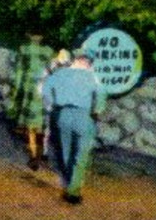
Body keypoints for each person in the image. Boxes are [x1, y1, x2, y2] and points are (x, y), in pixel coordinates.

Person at [42, 50, 106, 204]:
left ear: (76, 59)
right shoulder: (92, 77)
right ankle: (74, 189)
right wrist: (97, 111)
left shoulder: (59, 73)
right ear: (88, 62)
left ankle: (67, 181)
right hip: (84, 115)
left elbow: (45, 91)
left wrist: (51, 106)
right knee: (81, 154)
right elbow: (101, 95)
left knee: (65, 151)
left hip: (62, 114)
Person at [10, 32, 55, 170]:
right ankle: (40, 154)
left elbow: (19, 73)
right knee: (41, 124)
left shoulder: (24, 50)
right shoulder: (49, 51)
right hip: (45, 89)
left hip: (29, 89)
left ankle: (34, 154)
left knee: (30, 125)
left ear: (29, 34)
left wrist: (15, 93)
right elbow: (53, 71)